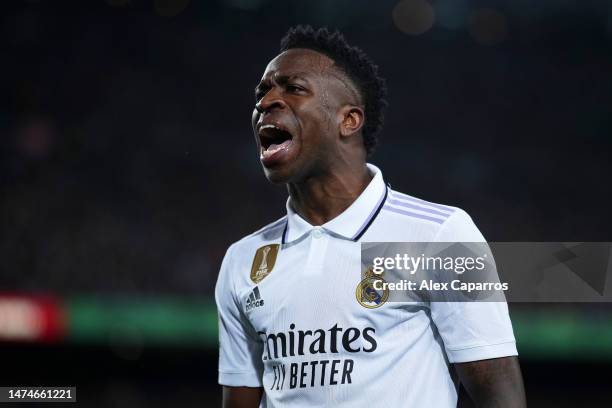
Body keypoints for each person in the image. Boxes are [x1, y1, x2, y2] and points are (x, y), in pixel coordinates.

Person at [215, 25, 526, 407]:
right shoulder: (242, 260)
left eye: (293, 88)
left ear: (349, 120)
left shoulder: (438, 234)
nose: (267, 101)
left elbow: (500, 395)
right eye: (262, 92)